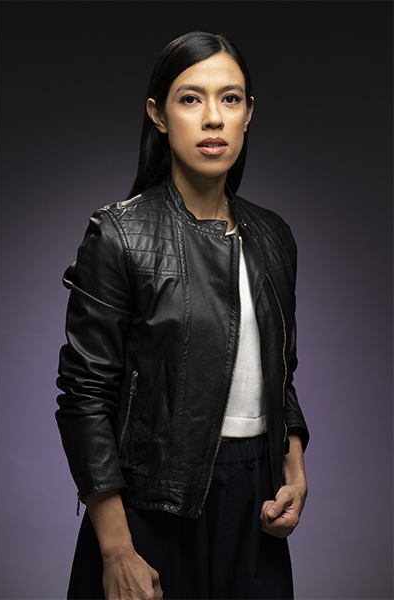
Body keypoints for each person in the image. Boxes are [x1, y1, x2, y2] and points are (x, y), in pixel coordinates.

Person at [56, 31, 309, 600]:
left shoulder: (274, 237)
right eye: (191, 98)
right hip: (150, 509)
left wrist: (294, 471)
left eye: (230, 98)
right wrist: (116, 549)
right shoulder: (120, 234)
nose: (213, 117)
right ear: (159, 114)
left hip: (255, 502)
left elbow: (281, 374)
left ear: (248, 114)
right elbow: (84, 397)